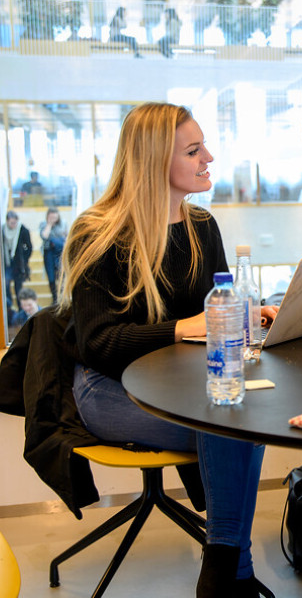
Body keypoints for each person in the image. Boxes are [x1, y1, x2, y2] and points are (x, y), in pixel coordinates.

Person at [57, 103, 277, 597]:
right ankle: (229, 572)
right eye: (194, 150)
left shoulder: (202, 227)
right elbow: (98, 344)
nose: (210, 158)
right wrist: (182, 329)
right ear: (156, 160)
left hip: (185, 384)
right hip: (110, 389)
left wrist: (250, 313)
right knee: (229, 422)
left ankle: (225, 571)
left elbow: (212, 320)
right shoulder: (98, 234)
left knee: (237, 415)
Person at [3, 210, 33, 312]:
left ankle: (21, 309)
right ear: (7, 221)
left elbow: (29, 247)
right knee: (5, 284)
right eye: (11, 223)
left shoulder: (22, 230)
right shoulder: (2, 230)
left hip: (19, 263)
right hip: (6, 262)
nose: (13, 225)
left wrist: (24, 260)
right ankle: (9, 307)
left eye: (15, 222)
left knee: (18, 287)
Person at [39, 207, 67, 302]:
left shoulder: (63, 224)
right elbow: (44, 236)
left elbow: (66, 237)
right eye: (51, 217)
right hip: (49, 253)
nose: (54, 219)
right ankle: (54, 298)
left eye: (55, 217)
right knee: (51, 277)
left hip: (60, 252)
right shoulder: (43, 224)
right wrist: (49, 224)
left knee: (62, 276)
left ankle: (62, 298)